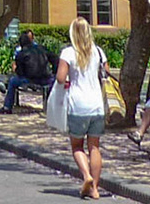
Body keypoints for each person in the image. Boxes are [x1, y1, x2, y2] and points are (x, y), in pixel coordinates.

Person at [56, 17, 110, 199]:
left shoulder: (68, 53)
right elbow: (106, 73)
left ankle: (86, 176)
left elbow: (60, 78)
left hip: (78, 104)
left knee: (77, 146)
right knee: (95, 146)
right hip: (97, 104)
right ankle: (95, 189)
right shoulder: (99, 52)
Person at [1, 30, 54, 112]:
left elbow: (20, 72)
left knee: (12, 81)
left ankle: (7, 107)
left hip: (30, 79)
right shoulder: (41, 49)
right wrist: (54, 72)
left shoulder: (21, 54)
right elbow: (55, 59)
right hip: (46, 78)